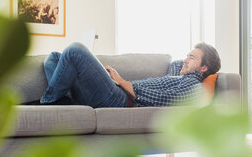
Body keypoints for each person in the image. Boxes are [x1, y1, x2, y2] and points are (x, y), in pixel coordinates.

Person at [28, 42, 221, 108]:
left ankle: (47, 103)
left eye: (192, 58)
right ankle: (64, 101)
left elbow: (159, 99)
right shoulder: (180, 75)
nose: (185, 60)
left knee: (75, 50)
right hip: (116, 92)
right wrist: (189, 61)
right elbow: (175, 63)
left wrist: (120, 81)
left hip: (121, 100)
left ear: (204, 69)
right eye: (187, 55)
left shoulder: (192, 88)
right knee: (53, 58)